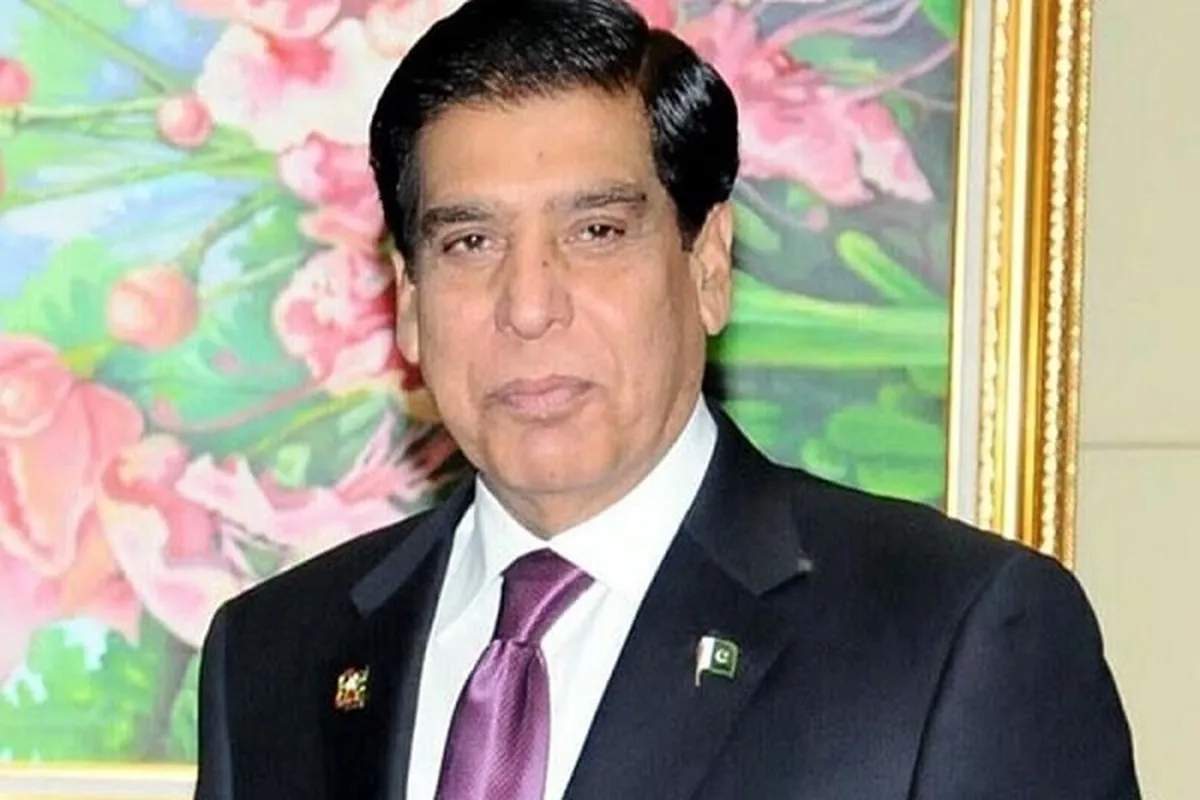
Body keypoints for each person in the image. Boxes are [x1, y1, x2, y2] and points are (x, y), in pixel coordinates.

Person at [192, 0, 1140, 797]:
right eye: (471, 243)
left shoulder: (954, 640)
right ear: (408, 301)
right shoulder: (274, 656)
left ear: (709, 265)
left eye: (597, 231)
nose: (529, 306)